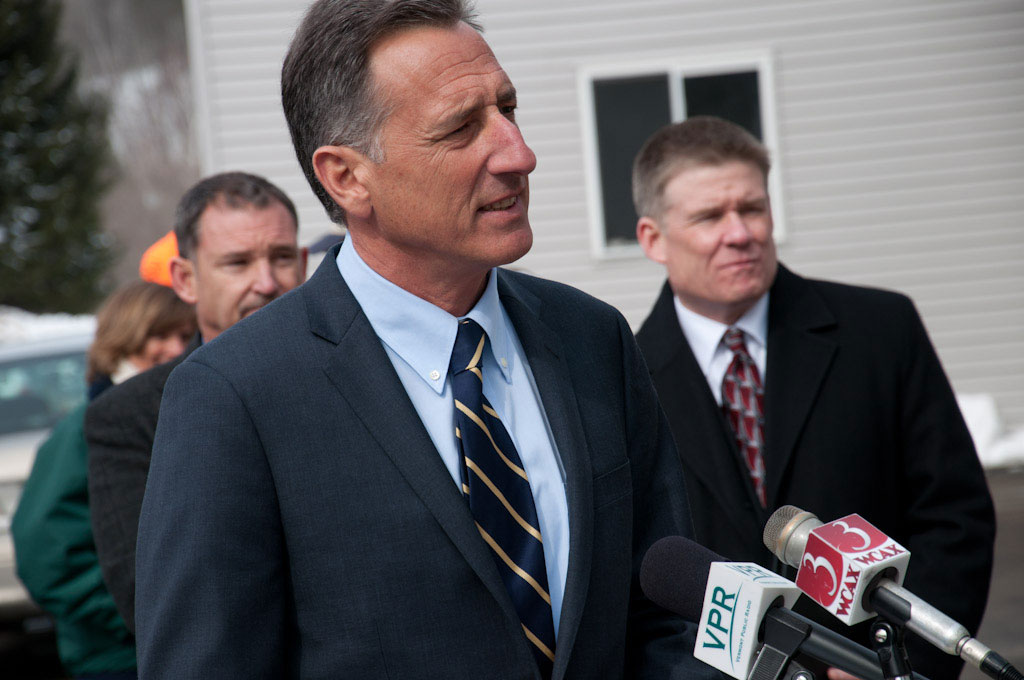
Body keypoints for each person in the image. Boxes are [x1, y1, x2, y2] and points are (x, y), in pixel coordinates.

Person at [132, 2, 712, 678]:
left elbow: (665, 620)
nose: (519, 154)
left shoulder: (592, 337)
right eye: (461, 128)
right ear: (347, 177)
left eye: (508, 109)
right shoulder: (236, 396)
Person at [632, 116, 996, 680]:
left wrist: (897, 661)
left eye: (752, 208)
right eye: (710, 216)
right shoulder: (623, 378)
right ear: (653, 238)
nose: (740, 233)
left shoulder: (881, 331)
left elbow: (955, 518)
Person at [84, 171, 306, 634]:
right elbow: (150, 596)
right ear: (185, 279)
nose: (266, 282)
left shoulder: (357, 376)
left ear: (303, 264)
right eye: (237, 263)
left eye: (282, 257)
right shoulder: (132, 416)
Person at [12, 281, 195, 680]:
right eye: (159, 335)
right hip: (116, 657)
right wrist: (134, 612)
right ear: (124, 338)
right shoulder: (90, 427)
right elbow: (45, 553)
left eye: (186, 336)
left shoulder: (170, 412)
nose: (176, 349)